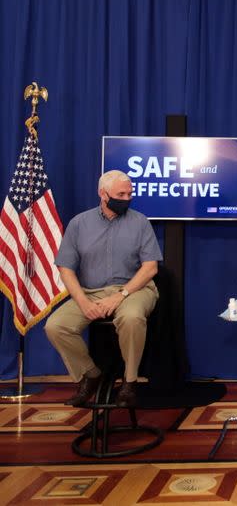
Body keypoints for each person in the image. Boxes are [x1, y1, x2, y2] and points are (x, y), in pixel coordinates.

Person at [45, 170, 161, 407]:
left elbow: (150, 268)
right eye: (121, 194)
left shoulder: (140, 222)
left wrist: (121, 296)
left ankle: (129, 383)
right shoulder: (79, 223)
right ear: (103, 194)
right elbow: (65, 268)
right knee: (56, 326)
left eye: (130, 193)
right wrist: (84, 302)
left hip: (135, 289)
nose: (127, 198)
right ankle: (90, 375)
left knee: (131, 317)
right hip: (91, 292)